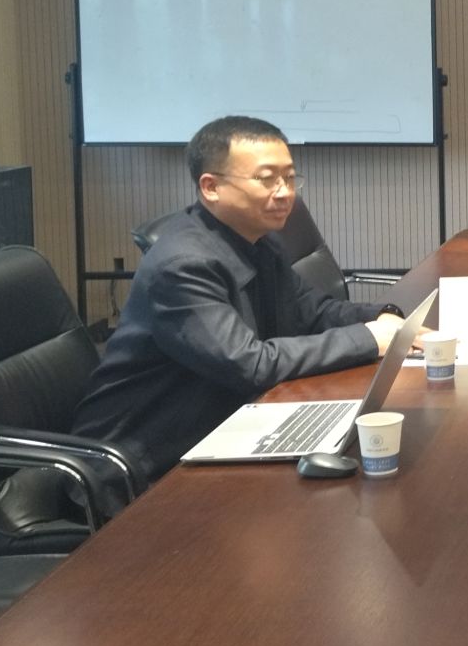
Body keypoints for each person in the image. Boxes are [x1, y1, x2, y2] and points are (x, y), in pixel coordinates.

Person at [72, 115, 408, 479]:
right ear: (211, 186)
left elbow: (311, 311)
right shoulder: (182, 265)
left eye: (289, 177)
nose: (284, 192)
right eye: (266, 179)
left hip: (225, 423)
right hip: (142, 460)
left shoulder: (259, 241)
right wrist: (369, 338)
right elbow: (250, 365)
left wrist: (383, 317)